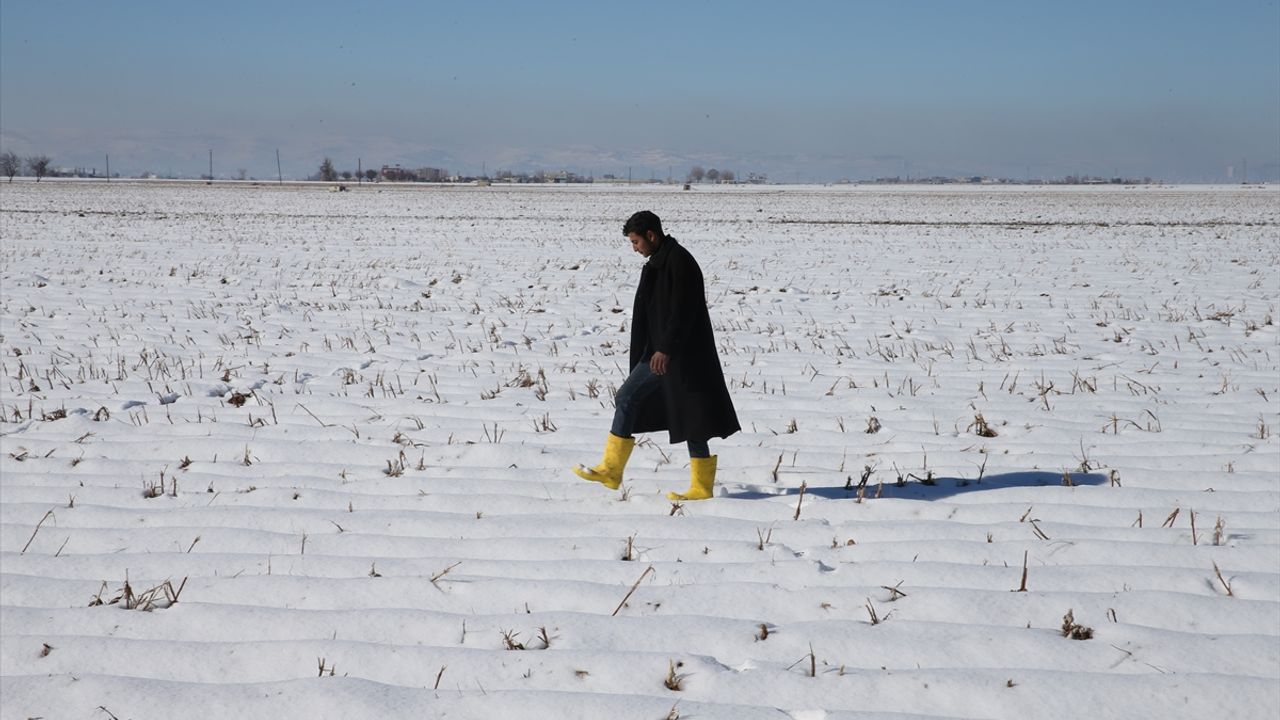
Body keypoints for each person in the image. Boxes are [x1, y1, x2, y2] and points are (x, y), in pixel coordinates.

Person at [574, 210, 740, 500]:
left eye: (636, 242)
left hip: (678, 355)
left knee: (646, 402)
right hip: (660, 352)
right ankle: (618, 471)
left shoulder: (679, 262)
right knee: (686, 415)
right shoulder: (659, 262)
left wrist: (665, 348)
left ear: (651, 235)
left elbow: (683, 312)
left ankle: (615, 470)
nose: (634, 248)